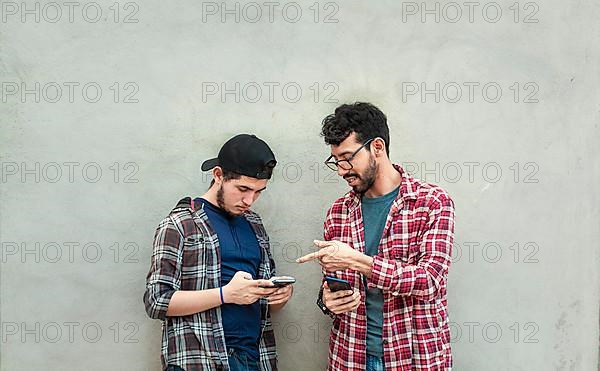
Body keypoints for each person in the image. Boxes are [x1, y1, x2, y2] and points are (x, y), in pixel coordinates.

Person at [298, 103, 455, 370]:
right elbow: (335, 284)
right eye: (336, 161)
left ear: (377, 147)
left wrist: (359, 261)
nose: (341, 170)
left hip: (414, 358)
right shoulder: (338, 213)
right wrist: (327, 301)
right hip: (350, 356)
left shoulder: (432, 203)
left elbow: (429, 281)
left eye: (348, 157)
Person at [144, 134, 293, 371]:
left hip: (255, 359)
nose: (249, 200)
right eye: (243, 189)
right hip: (199, 361)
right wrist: (225, 294)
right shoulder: (180, 224)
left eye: (258, 191)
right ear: (218, 175)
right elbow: (156, 301)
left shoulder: (255, 224)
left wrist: (277, 298)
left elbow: (263, 302)